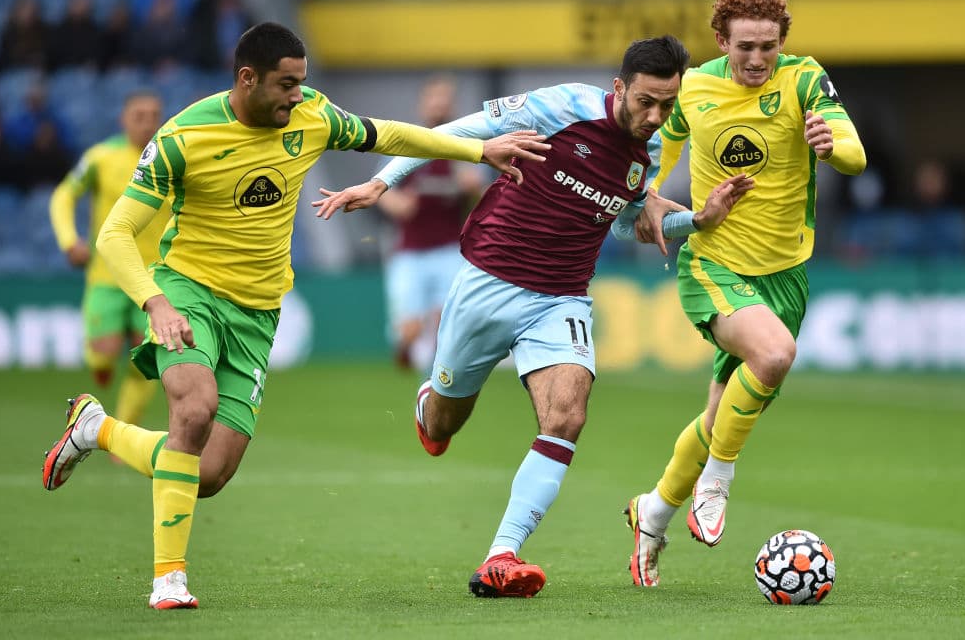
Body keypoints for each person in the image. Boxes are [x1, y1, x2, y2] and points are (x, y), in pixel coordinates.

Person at [40, 21, 549, 610]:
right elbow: (116, 232)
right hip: (188, 295)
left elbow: (389, 134)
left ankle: (95, 429)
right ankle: (169, 579)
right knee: (193, 408)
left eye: (302, 84)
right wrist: (155, 301)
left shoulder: (313, 115)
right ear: (247, 78)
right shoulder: (183, 136)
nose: (297, 96)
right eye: (286, 84)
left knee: (208, 475)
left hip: (258, 313)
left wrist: (478, 149)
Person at [312, 35, 751, 598]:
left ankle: (502, 554)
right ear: (619, 88)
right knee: (443, 425)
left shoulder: (647, 153)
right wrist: (381, 181)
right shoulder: (564, 106)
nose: (656, 116)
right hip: (487, 282)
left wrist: (699, 220)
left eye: (668, 104)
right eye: (646, 101)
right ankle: (431, 404)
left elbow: (625, 224)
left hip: (561, 298)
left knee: (567, 416)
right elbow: (456, 131)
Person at [621, 0, 866, 588]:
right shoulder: (694, 89)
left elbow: (854, 153)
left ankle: (651, 513)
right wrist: (660, 208)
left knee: (717, 415)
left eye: (768, 47)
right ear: (721, 42)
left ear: (782, 42)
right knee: (776, 353)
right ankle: (718, 480)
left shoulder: (805, 79)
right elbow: (646, 177)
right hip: (713, 262)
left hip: (785, 274)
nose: (758, 60)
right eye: (745, 48)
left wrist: (835, 147)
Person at [49, 91, 166, 429]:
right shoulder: (101, 158)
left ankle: (125, 426)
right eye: (139, 116)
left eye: (153, 115)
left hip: (156, 278)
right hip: (107, 273)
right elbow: (63, 195)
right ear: (123, 120)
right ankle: (101, 364)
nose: (147, 123)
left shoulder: (169, 157)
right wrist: (69, 241)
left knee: (147, 357)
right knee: (103, 352)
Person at [377, 74, 485, 372]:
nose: (439, 105)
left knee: (444, 326)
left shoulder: (466, 146)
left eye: (445, 100)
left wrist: (473, 189)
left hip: (450, 250)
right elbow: (380, 189)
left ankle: (436, 383)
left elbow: (485, 201)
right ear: (423, 104)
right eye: (434, 99)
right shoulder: (407, 143)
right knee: (409, 329)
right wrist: (397, 204)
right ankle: (406, 347)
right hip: (410, 251)